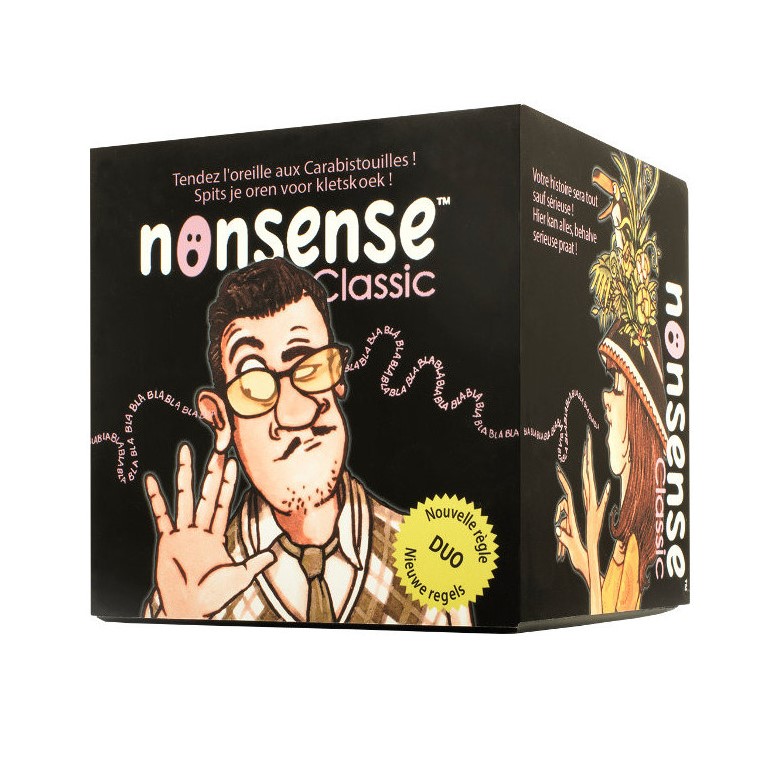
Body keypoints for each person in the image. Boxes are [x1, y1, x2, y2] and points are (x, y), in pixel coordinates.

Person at [143, 257, 471, 626]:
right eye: (254, 386)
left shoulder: (433, 561)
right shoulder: (190, 587)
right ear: (220, 418)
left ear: (338, 376)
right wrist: (183, 620)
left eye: (309, 368)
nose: (294, 414)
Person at [554, 157, 667, 614]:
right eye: (613, 388)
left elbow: (609, 615)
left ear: (640, 423)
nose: (605, 399)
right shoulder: (630, 538)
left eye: (617, 391)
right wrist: (584, 556)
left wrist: (589, 542)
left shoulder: (637, 542)